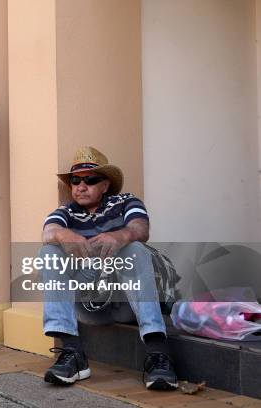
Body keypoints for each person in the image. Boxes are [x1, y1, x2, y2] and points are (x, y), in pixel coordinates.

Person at [40, 146, 178, 390]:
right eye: (75, 180)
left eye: (90, 180)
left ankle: (158, 355)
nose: (81, 186)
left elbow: (141, 229)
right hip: (89, 305)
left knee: (134, 248)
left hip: (127, 301)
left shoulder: (125, 201)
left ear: (105, 185)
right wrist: (64, 235)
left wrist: (121, 236)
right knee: (48, 251)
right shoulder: (66, 212)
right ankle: (72, 352)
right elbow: (48, 232)